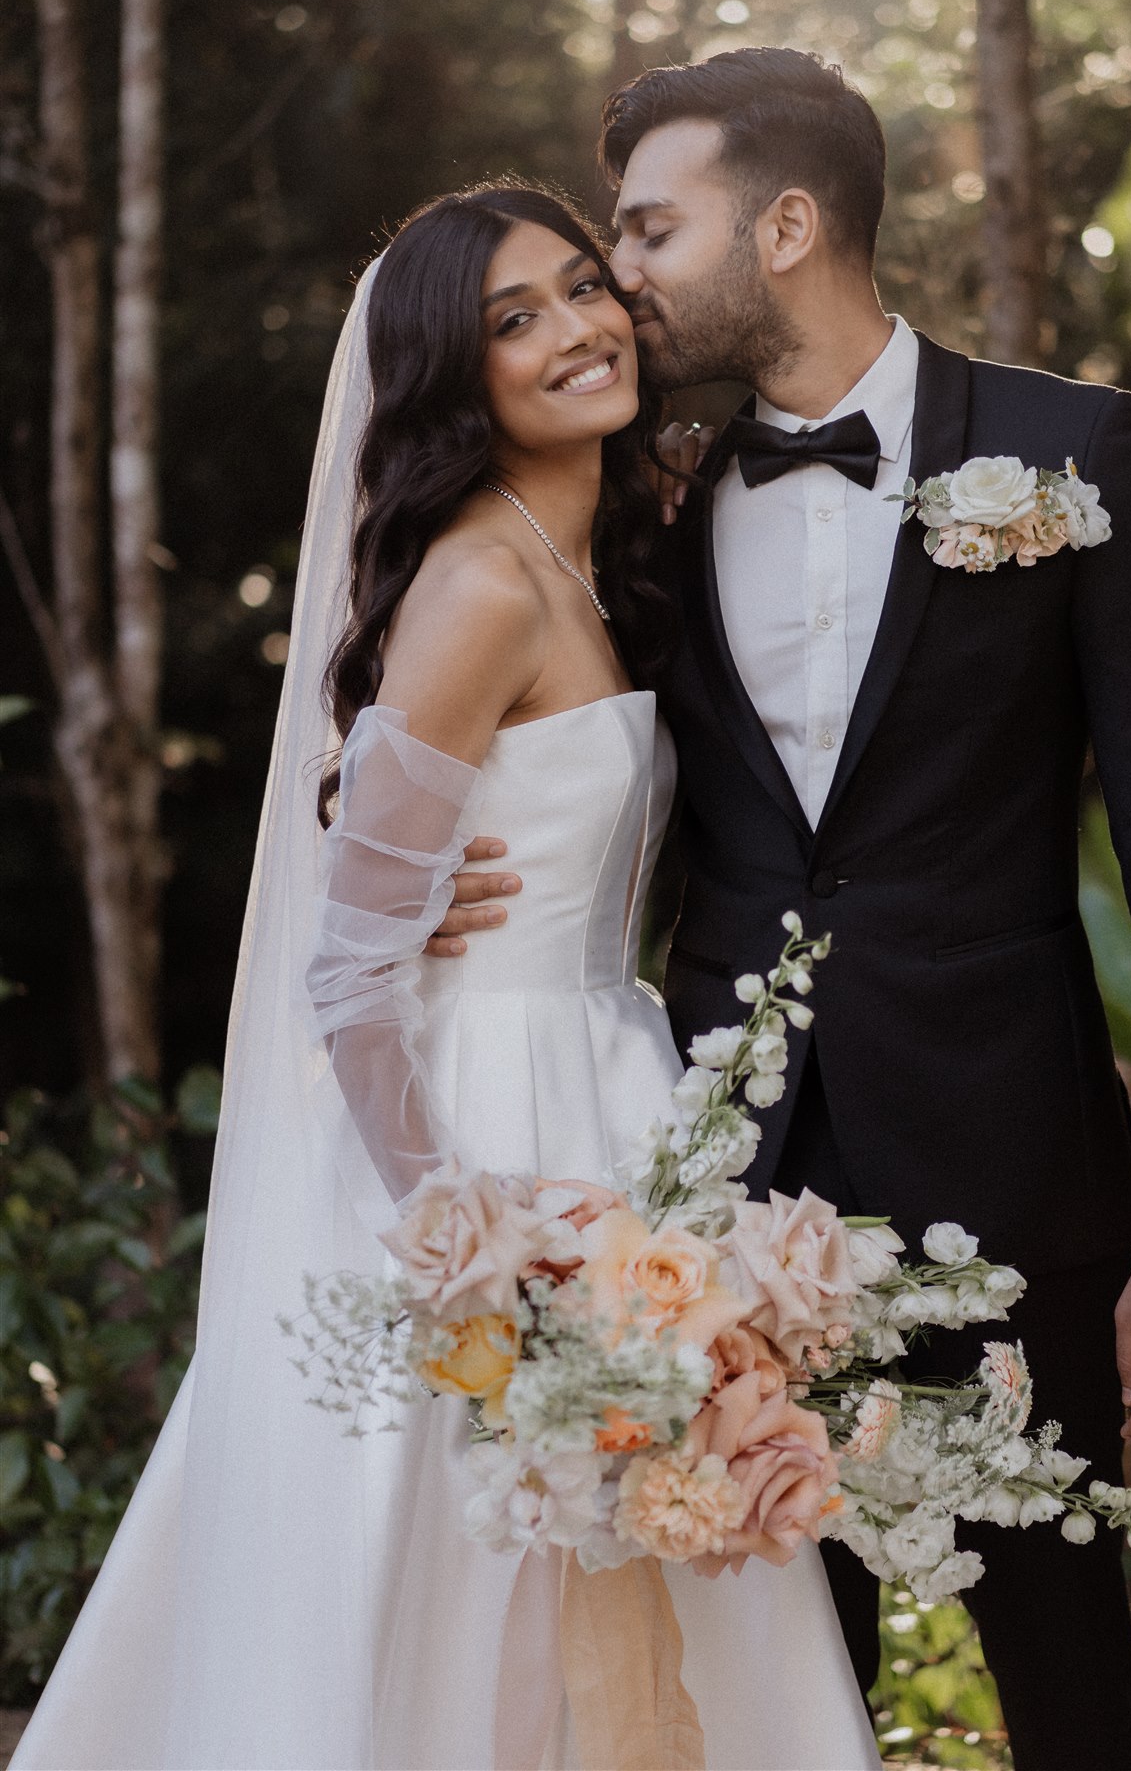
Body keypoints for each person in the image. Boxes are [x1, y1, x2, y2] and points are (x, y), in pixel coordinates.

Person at [432, 52, 1131, 1771]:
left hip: (1012, 1172)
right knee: (774, 1691)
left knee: (1062, 1679)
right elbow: (483, 705)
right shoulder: (645, 500)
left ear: (788, 224)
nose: (624, 276)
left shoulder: (1071, 451)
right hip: (722, 1207)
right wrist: (423, 863)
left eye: (652, 230)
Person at [12, 184, 879, 1771]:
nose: (574, 331)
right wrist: (466, 1248)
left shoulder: (591, 551)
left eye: (577, 288)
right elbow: (346, 981)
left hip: (612, 1102)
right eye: (512, 321)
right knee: (474, 1540)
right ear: (446, 378)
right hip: (476, 1138)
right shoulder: (481, 588)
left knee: (624, 1524)